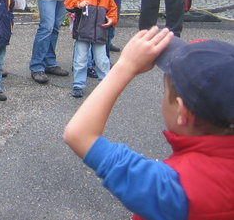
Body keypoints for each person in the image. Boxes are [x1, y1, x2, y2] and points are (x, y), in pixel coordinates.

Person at [64, 27, 234, 219]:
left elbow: (79, 134)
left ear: (182, 112)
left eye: (164, 93)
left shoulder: (172, 189)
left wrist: (125, 66)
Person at [64, 0, 118, 98]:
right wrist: (78, 4)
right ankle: (78, 84)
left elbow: (113, 10)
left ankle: (104, 85)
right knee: (80, 59)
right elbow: (68, 2)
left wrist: (112, 19)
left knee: (102, 61)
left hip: (100, 33)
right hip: (83, 33)